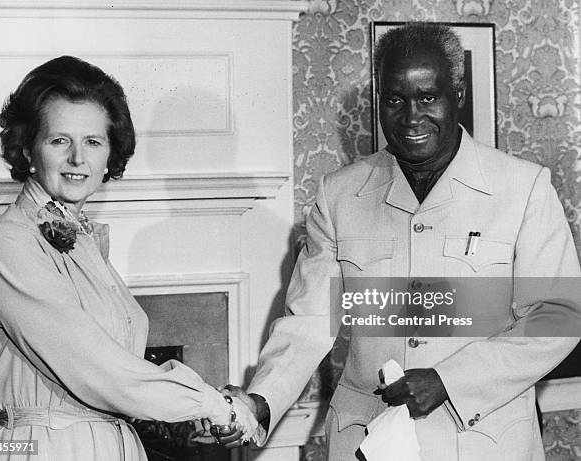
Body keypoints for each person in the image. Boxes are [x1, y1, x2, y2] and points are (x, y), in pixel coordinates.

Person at [219, 22, 581, 460]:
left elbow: (557, 317)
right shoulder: (340, 194)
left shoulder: (523, 188)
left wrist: (450, 381)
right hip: (366, 439)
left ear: (458, 95)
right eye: (395, 100)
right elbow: (307, 323)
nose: (411, 118)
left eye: (428, 97)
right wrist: (262, 401)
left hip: (484, 442)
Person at [0, 56, 256, 461]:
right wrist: (211, 405)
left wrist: (200, 404)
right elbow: (98, 368)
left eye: (92, 141)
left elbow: (119, 367)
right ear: (28, 151)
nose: (77, 159)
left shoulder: (84, 243)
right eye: (58, 140)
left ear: (109, 157)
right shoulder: (7, 244)